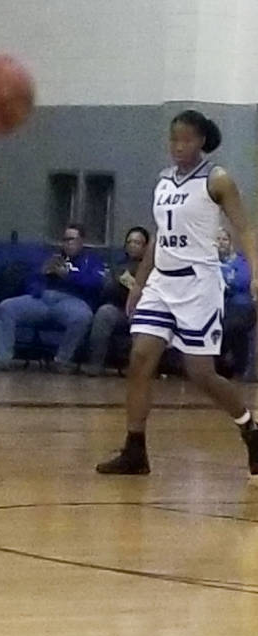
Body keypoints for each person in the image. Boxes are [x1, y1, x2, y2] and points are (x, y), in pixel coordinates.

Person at [97, 110, 258, 476]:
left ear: (201, 140)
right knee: (140, 359)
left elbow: (245, 228)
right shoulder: (165, 180)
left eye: (186, 139)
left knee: (200, 373)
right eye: (174, 139)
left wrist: (255, 273)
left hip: (198, 284)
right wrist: (139, 282)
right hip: (162, 283)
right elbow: (159, 234)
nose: (178, 146)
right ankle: (135, 449)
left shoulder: (217, 180)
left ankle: (249, 427)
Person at [0, 224, 104, 373]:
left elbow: (95, 283)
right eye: (65, 239)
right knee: (6, 307)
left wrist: (69, 276)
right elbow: (29, 281)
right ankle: (3, 359)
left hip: (71, 301)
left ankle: (62, 361)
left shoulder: (91, 261)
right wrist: (41, 274)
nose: (67, 243)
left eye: (71, 239)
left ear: (81, 241)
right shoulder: (52, 258)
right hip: (42, 298)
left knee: (83, 317)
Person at [81, 226, 149, 376]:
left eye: (137, 243)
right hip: (120, 308)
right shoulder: (118, 264)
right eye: (129, 242)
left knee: (146, 321)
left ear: (146, 247)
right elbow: (107, 294)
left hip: (144, 311)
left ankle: (137, 369)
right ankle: (95, 364)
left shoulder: (153, 267)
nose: (132, 245)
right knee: (104, 313)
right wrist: (115, 284)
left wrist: (133, 286)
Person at [216, 227, 255, 378]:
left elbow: (243, 281)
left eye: (224, 240)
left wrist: (225, 282)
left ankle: (237, 368)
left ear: (231, 243)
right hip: (216, 305)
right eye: (218, 240)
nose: (221, 243)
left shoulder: (242, 261)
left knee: (231, 326)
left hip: (241, 306)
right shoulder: (210, 262)